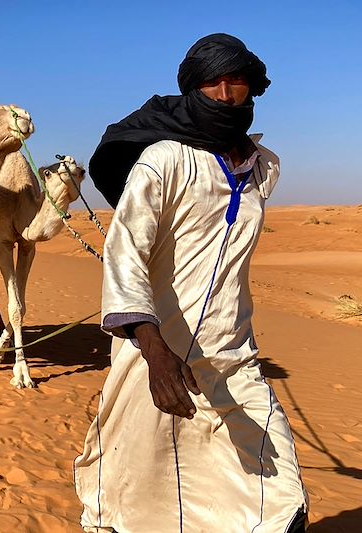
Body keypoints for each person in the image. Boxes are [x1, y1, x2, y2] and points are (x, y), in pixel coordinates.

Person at [74, 34, 308, 532]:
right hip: (154, 357)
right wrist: (154, 351)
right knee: (133, 491)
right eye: (211, 83)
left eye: (235, 82)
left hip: (233, 358)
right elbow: (125, 251)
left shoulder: (264, 168)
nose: (224, 95)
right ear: (191, 90)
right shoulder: (163, 160)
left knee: (280, 499)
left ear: (253, 88)